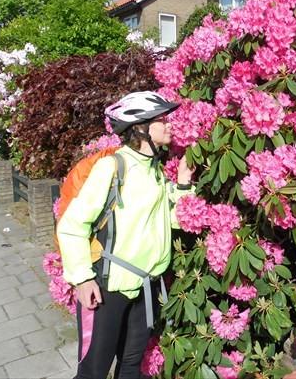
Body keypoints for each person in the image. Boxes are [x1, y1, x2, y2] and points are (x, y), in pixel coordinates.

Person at [57, 91, 194, 379]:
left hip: (146, 287)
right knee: (93, 371)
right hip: (108, 288)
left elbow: (173, 221)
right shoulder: (113, 166)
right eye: (162, 119)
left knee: (132, 367)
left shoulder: (154, 170)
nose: (169, 124)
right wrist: (82, 278)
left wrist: (182, 183)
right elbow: (73, 224)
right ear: (141, 128)